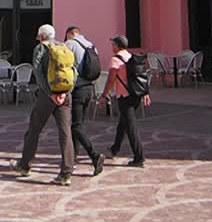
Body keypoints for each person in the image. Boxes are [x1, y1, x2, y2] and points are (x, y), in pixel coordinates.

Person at [10, 24, 76, 185]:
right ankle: (66, 173)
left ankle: (25, 165)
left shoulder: (41, 48)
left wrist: (52, 94)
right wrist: (65, 93)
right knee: (65, 132)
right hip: (65, 95)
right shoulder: (64, 46)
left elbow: (38, 73)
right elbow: (74, 71)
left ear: (41, 36)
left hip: (48, 96)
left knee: (34, 129)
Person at [100, 35, 147, 167]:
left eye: (113, 44)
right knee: (123, 124)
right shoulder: (132, 57)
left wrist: (104, 95)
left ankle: (139, 157)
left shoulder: (115, 60)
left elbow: (111, 80)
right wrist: (145, 93)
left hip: (124, 97)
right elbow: (142, 76)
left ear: (117, 45)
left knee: (131, 128)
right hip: (136, 95)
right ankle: (115, 148)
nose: (111, 46)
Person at [64, 26, 103, 176]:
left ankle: (95, 156)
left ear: (69, 35)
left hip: (77, 89)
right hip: (89, 89)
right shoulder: (91, 45)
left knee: (75, 126)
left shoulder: (70, 44)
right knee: (79, 124)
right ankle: (72, 158)